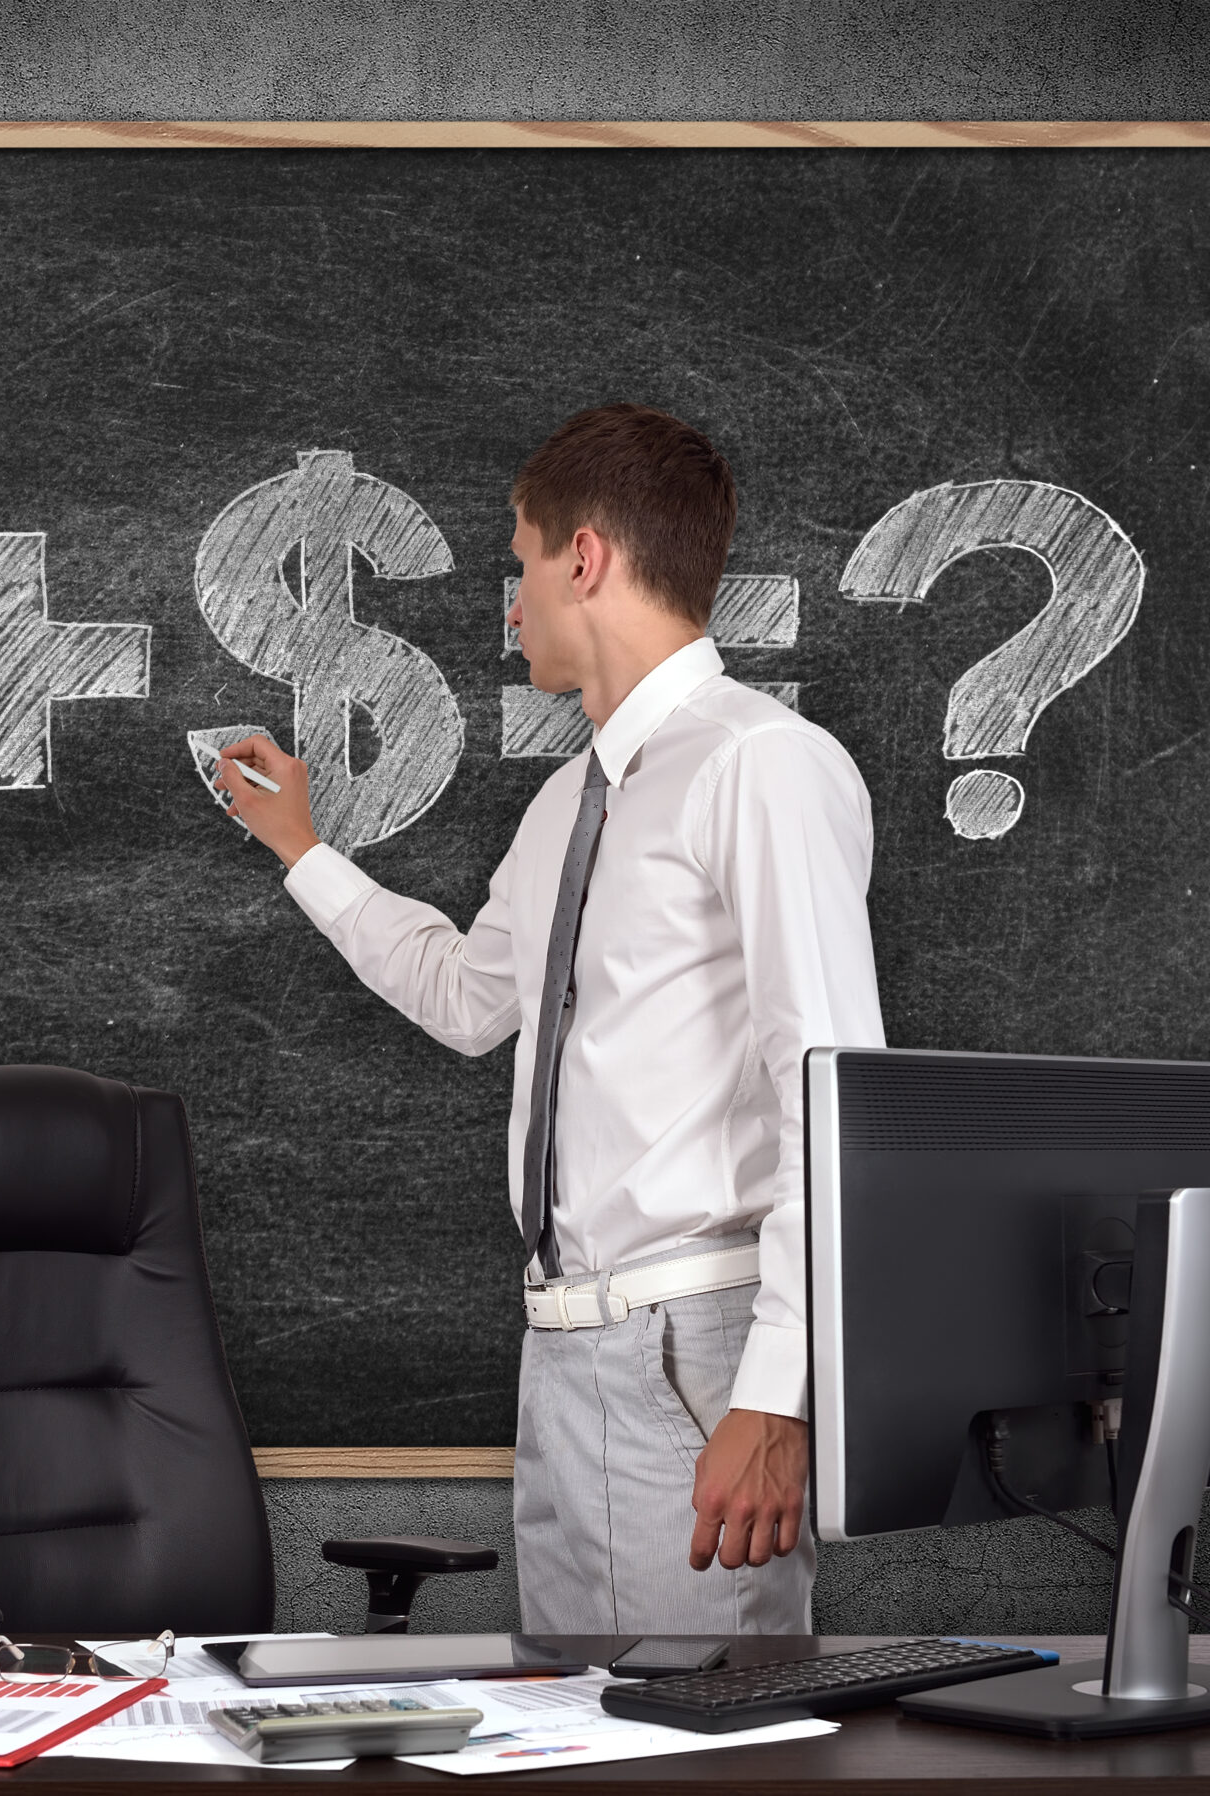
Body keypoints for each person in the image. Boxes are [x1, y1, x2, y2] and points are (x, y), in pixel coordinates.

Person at [211, 403, 884, 1634]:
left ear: (585, 557)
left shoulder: (758, 764)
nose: (508, 600)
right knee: (577, 1737)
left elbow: (834, 1091)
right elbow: (472, 998)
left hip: (695, 1342)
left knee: (688, 1744)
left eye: (517, 561)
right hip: (567, 1347)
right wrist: (304, 850)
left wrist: (779, 1393)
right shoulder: (574, 800)